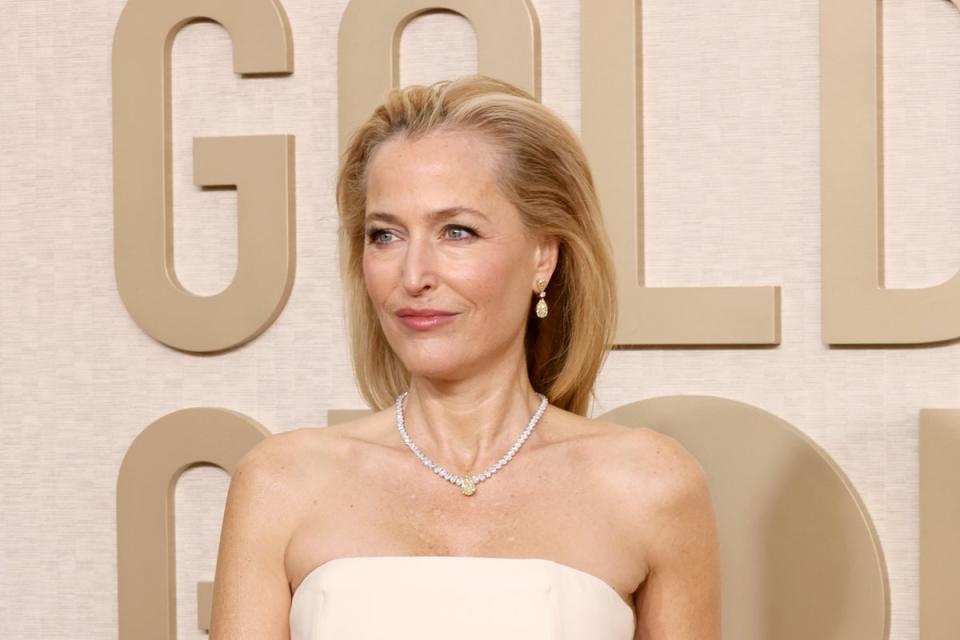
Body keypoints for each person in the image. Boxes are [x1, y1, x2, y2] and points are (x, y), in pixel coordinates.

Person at [209, 76, 721, 639]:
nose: (413, 276)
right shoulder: (280, 483)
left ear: (542, 257)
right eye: (385, 235)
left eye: (457, 231)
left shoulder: (649, 484)